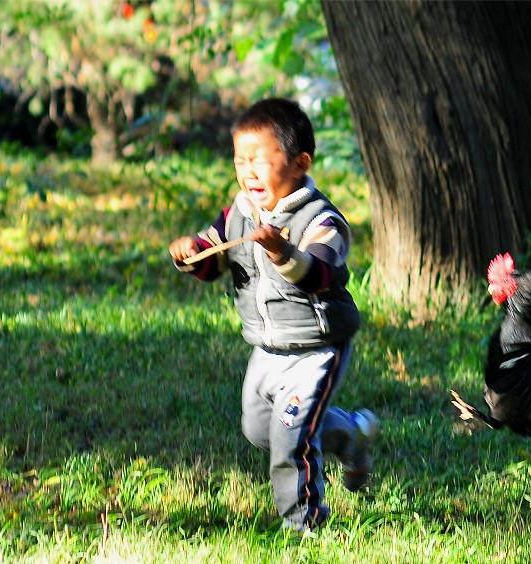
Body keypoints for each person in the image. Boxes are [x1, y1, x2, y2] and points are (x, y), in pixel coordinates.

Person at [168, 97, 379, 532]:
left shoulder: (322, 220)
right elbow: (213, 258)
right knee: (258, 430)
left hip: (316, 347)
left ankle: (303, 525)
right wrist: (191, 254)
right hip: (266, 347)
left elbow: (319, 274)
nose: (248, 172)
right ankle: (352, 436)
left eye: (260, 161)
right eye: (240, 160)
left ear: (299, 163)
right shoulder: (240, 213)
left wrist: (282, 251)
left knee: (289, 441)